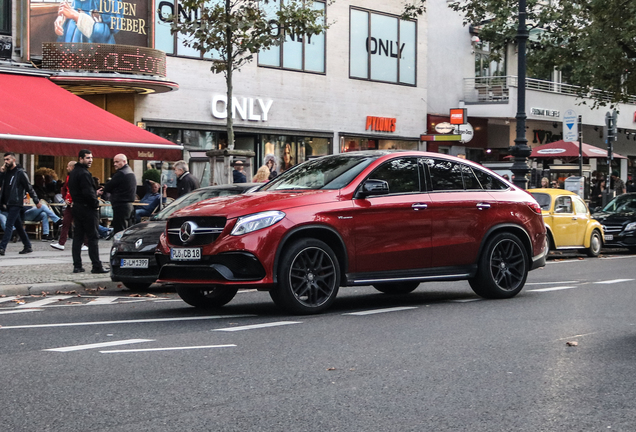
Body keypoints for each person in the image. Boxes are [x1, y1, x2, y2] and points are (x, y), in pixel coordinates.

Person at [68, 149, 109, 274]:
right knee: (93, 237)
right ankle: (96, 265)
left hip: (77, 207)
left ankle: (77, 265)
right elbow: (87, 193)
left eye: (91, 158)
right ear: (80, 158)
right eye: (87, 158)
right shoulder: (84, 174)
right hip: (87, 208)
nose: (90, 160)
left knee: (78, 237)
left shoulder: (74, 173)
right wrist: (95, 203)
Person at [0, 152, 40, 256]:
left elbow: (28, 187)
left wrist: (36, 200)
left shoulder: (20, 173)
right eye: (4, 160)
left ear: (13, 160)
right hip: (8, 203)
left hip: (16, 202)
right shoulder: (6, 173)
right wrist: (1, 173)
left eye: (8, 159)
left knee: (9, 224)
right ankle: (27, 245)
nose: (6, 162)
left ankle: (2, 247)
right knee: (18, 225)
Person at [98, 154, 136, 234]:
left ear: (124, 161)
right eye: (114, 162)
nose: (115, 164)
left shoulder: (121, 173)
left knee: (119, 231)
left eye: (117, 162)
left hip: (121, 205)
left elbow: (108, 187)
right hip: (128, 205)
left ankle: (119, 246)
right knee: (126, 229)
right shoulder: (130, 172)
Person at [54, 0, 122, 44]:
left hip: (96, 54)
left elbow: (110, 30)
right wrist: (62, 20)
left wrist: (77, 17)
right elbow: (73, 11)